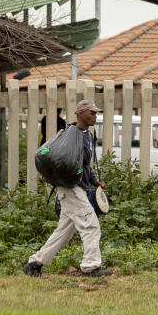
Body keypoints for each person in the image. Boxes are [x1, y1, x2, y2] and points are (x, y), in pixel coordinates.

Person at [23, 99, 110, 277]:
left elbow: (84, 165)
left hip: (77, 187)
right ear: (80, 114)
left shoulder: (87, 135)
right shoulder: (71, 135)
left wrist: (94, 181)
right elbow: (65, 162)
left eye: (96, 113)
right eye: (91, 113)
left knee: (63, 232)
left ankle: (34, 263)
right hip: (71, 188)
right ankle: (91, 267)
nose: (95, 116)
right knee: (91, 226)